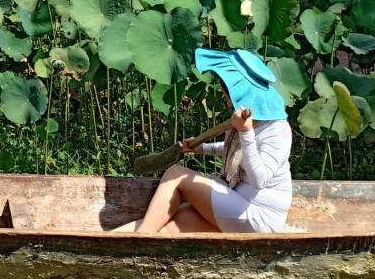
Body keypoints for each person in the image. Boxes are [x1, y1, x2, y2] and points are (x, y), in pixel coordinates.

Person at [115, 48, 293, 234]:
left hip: (259, 216)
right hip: (237, 203)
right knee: (169, 222)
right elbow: (234, 151)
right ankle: (110, 243)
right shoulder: (247, 119)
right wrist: (201, 148)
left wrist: (245, 132)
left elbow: (259, 179)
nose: (226, 102)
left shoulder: (276, 130)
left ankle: (138, 241)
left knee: (175, 174)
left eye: (227, 95)